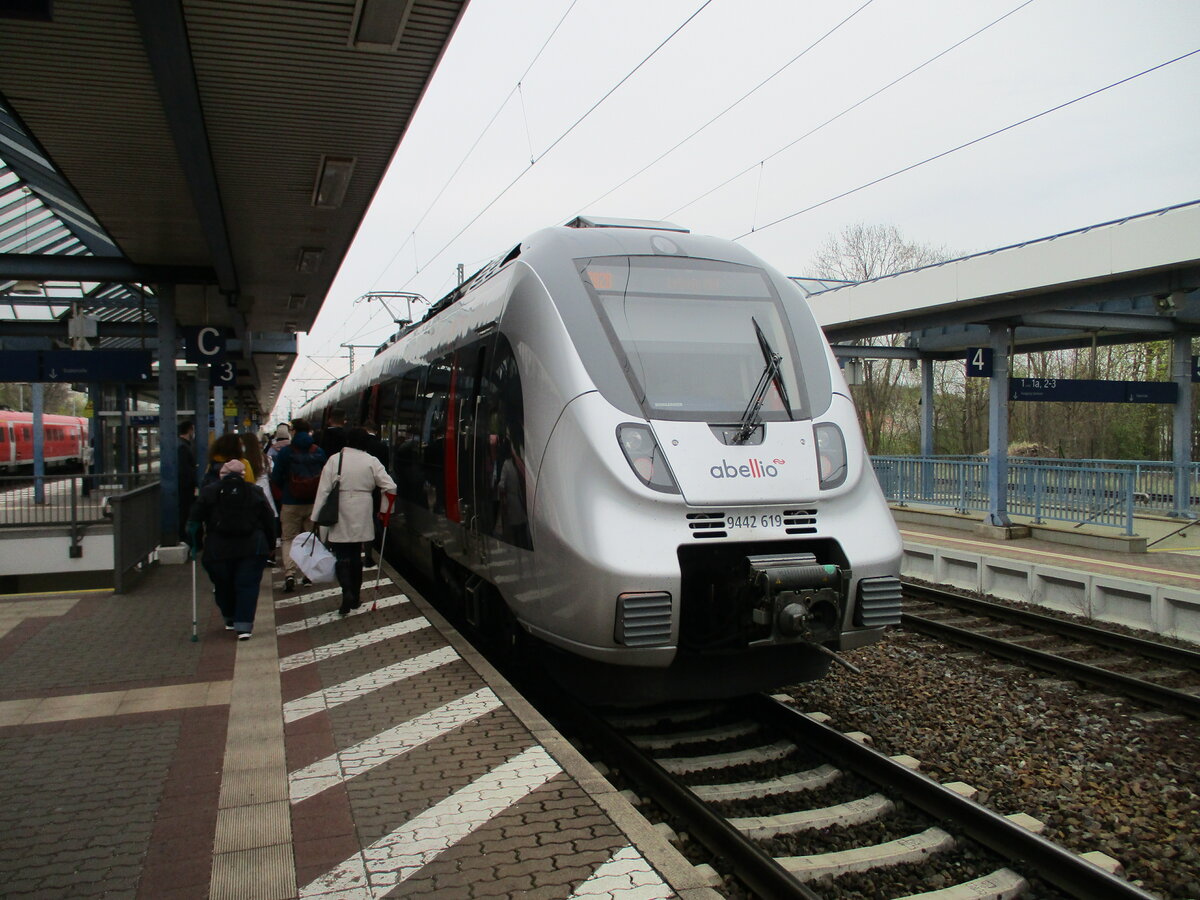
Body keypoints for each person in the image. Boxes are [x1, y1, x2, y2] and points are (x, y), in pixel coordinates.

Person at [186, 459, 275, 639]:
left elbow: (194, 520)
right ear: (243, 475)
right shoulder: (255, 491)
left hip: (218, 549)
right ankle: (244, 627)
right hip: (253, 547)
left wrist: (194, 544)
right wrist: (270, 545)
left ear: (221, 476)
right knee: (247, 585)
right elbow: (269, 518)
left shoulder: (209, 492)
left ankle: (230, 617)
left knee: (223, 585)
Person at [312, 427, 396, 616]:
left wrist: (317, 517)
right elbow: (390, 486)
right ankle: (356, 596)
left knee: (342, 554)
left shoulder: (335, 460)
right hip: (362, 508)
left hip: (339, 509)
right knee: (357, 554)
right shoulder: (371, 461)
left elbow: (324, 490)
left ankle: (346, 592)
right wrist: (384, 510)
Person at [270, 418, 326, 592]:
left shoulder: (286, 452)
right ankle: (308, 575)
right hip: (312, 502)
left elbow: (276, 477)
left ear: (293, 431)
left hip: (290, 502)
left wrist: (286, 490)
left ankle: (290, 574)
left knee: (288, 538)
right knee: (310, 538)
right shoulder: (318, 451)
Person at [241, 432, 278, 565]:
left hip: (247, 495)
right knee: (267, 523)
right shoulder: (265, 459)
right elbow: (272, 474)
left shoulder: (241, 461)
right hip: (265, 494)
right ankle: (269, 553)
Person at [361, 420, 390, 567]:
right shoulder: (382, 446)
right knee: (373, 517)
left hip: (360, 490)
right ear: (376, 431)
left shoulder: (362, 447)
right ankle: (374, 544)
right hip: (376, 488)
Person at [177, 420, 197, 538]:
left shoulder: (182, 445)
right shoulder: (183, 447)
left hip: (184, 488)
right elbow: (185, 470)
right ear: (190, 430)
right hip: (185, 489)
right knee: (184, 514)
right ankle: (183, 537)